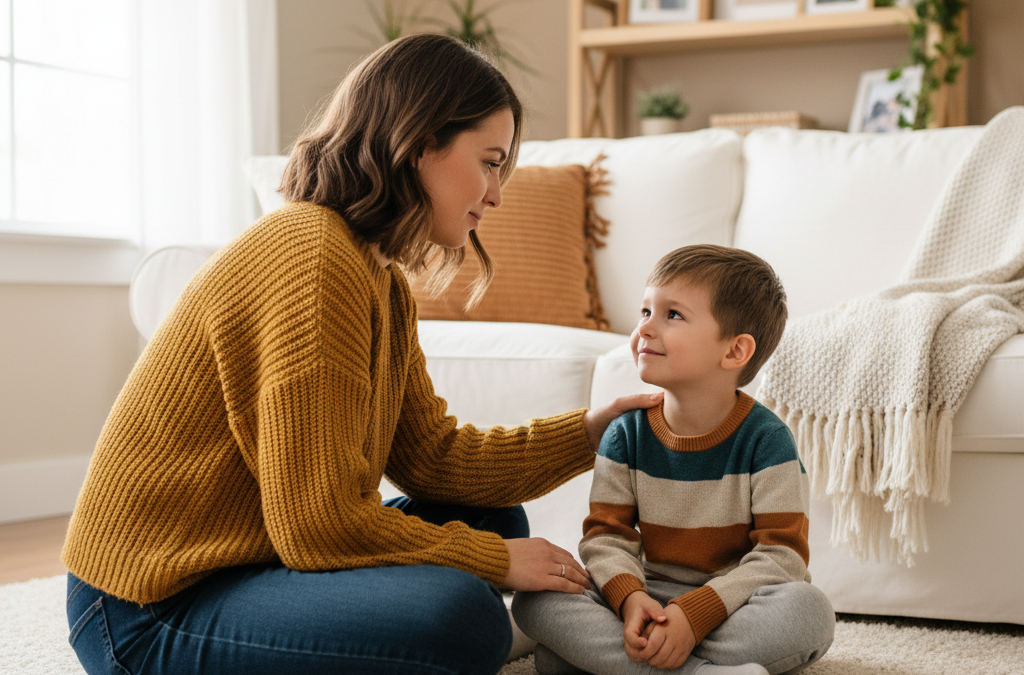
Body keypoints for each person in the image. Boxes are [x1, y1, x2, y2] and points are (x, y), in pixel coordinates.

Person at [61, 34, 659, 675]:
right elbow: (318, 524)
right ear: (421, 141)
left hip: (252, 556)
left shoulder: (377, 273)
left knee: (491, 517)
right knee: (463, 617)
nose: (496, 194)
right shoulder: (312, 258)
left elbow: (432, 459)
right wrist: (495, 564)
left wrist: (589, 432)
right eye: (489, 162)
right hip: (147, 607)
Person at [512, 245, 836, 675]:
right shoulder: (625, 433)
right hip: (644, 596)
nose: (645, 328)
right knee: (536, 598)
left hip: (730, 604)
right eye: (645, 311)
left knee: (808, 610)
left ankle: (614, 661)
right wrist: (630, 599)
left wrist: (694, 615)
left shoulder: (768, 441)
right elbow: (606, 538)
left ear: (735, 352)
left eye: (672, 315)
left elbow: (781, 557)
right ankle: (697, 671)